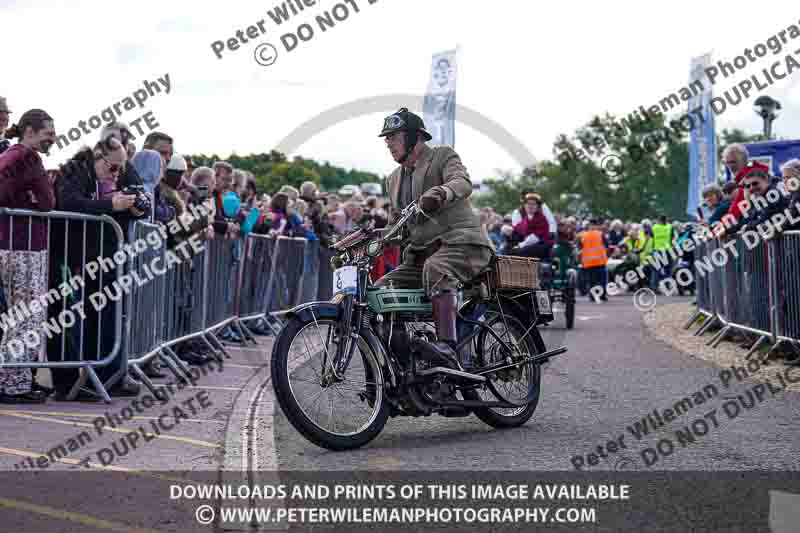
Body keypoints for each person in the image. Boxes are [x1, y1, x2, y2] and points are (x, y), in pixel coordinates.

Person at [376, 107, 494, 368]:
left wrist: (441, 193)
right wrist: (366, 240)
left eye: (394, 136)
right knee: (381, 291)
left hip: (461, 244)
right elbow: (395, 227)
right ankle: (400, 365)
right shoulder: (393, 179)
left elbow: (462, 182)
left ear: (415, 137)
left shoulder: (442, 156)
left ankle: (447, 348)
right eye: (387, 138)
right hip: (420, 256)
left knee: (436, 267)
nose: (388, 142)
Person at [48, 136, 147, 400]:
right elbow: (69, 204)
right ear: (98, 157)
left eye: (121, 167)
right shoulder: (73, 170)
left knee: (102, 318)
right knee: (62, 317)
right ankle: (66, 383)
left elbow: (143, 202)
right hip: (66, 255)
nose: (117, 173)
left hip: (99, 257)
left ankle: (100, 377)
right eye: (113, 167)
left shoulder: (118, 172)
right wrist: (110, 204)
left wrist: (136, 208)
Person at [0, 109, 57, 404]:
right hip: (20, 246)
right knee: (22, 318)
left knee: (24, 317)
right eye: (49, 134)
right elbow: (48, 201)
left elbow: (45, 199)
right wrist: (34, 197)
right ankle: (12, 384)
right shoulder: (23, 156)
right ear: (31, 131)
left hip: (24, 245)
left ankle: (16, 381)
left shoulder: (22, 156)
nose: (53, 140)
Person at [509, 193, 553, 259]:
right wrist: (508, 229)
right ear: (524, 205)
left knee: (520, 251)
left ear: (537, 207)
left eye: (533, 204)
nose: (530, 206)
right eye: (528, 204)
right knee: (508, 248)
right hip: (529, 245)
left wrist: (520, 245)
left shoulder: (541, 219)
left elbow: (535, 238)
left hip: (541, 245)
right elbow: (516, 229)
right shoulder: (525, 219)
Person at [578, 218, 609, 302]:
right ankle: (602, 296)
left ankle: (592, 296)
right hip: (600, 261)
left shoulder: (583, 235)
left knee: (591, 281)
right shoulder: (600, 234)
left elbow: (580, 247)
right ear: (597, 225)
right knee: (601, 280)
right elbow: (607, 245)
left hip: (588, 262)